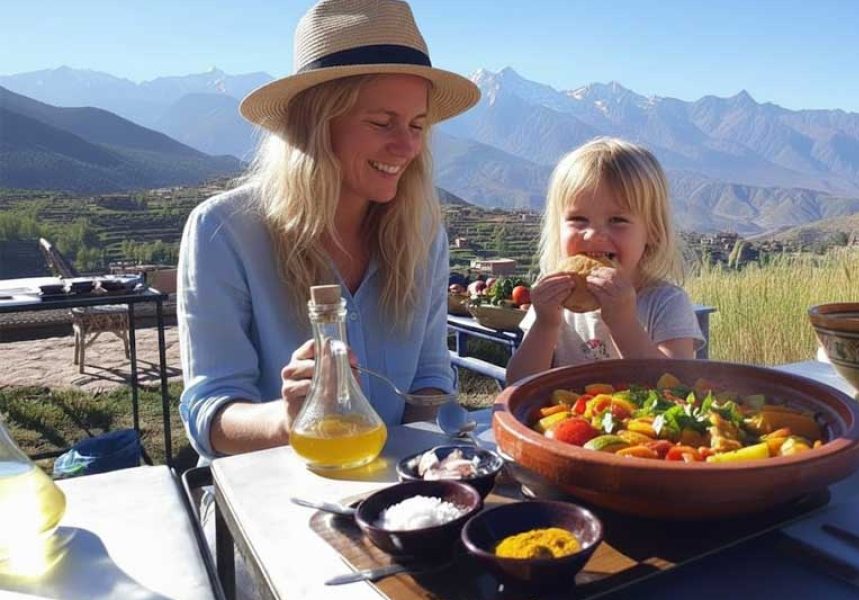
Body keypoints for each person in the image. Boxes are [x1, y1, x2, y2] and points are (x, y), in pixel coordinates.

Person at [177, 0, 481, 462]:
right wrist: (289, 418)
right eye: (381, 122)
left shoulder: (423, 235)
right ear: (316, 127)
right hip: (269, 501)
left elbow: (429, 377)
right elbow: (210, 418)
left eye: (417, 125)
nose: (406, 146)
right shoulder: (224, 232)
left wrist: (430, 466)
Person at [506, 137, 704, 384]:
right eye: (578, 219)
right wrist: (545, 325)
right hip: (566, 421)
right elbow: (518, 385)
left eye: (617, 220)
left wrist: (624, 324)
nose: (594, 234)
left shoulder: (666, 304)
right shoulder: (554, 300)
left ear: (652, 231)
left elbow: (678, 389)